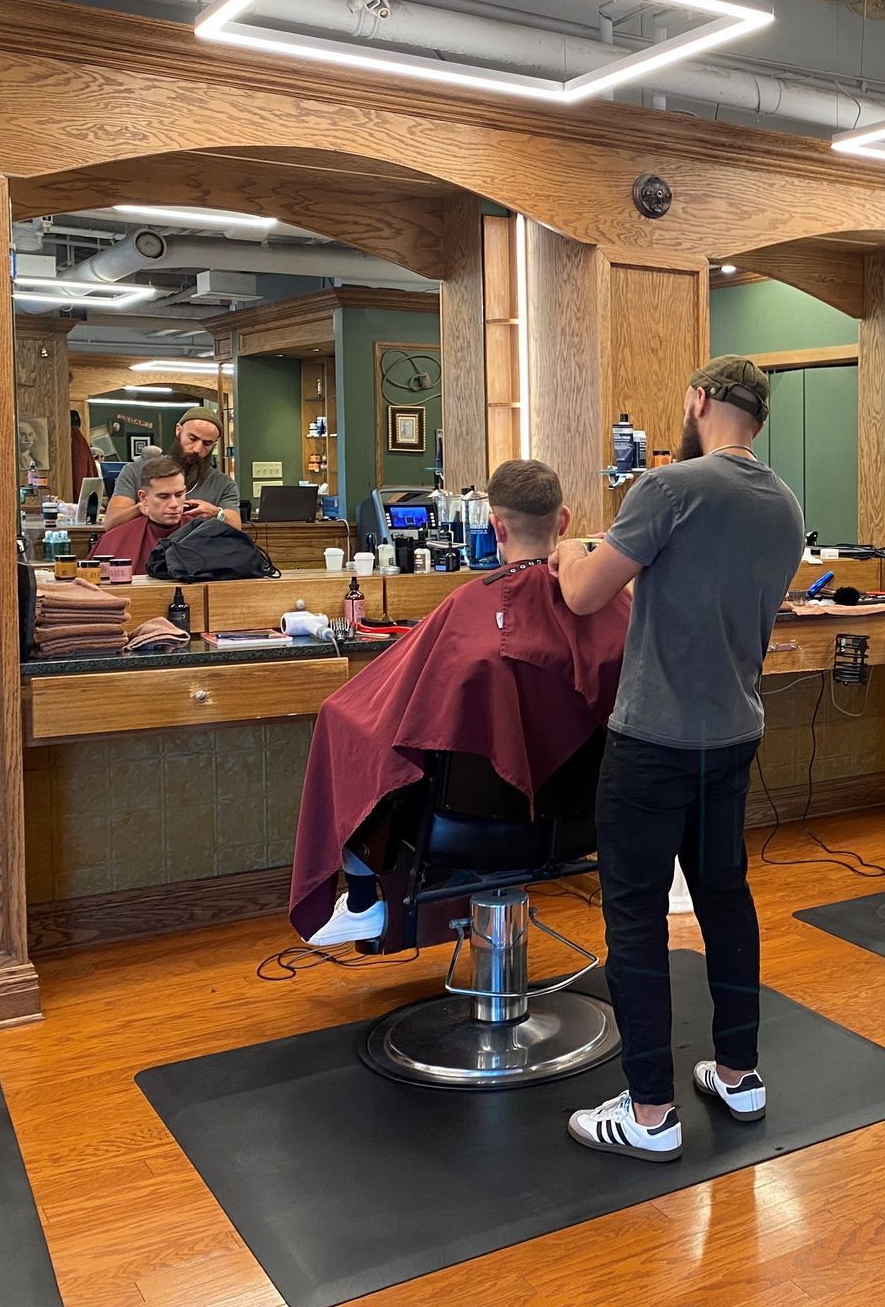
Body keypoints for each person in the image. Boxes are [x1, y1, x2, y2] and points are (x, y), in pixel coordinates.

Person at [553, 355, 803, 1164]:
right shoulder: (784, 506)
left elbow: (587, 594)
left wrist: (567, 556)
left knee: (633, 917)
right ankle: (739, 1073)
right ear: (759, 417)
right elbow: (698, 596)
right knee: (726, 900)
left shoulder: (667, 488)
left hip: (654, 740)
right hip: (734, 735)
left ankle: (651, 1111)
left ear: (697, 401)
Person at [289, 460, 629, 946]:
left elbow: (389, 712)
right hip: (587, 820)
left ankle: (364, 899)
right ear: (566, 521)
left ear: (494, 526)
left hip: (470, 825)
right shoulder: (612, 604)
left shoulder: (469, 607)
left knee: (351, 734)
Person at [102, 411, 239, 529]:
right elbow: (111, 522)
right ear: (178, 431)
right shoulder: (134, 471)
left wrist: (217, 514)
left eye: (207, 443)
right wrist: (144, 506)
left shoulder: (223, 484)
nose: (197, 449)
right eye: (192, 438)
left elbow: (236, 526)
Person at [90, 455, 188, 566]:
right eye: (164, 496)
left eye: (179, 495)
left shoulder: (202, 533)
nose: (174, 504)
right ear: (143, 497)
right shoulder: (115, 540)